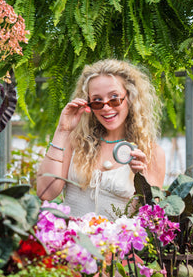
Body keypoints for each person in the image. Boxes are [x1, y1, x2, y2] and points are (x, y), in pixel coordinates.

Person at [37, 59, 165, 220]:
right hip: (73, 243)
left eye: (114, 98)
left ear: (130, 98)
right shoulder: (75, 142)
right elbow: (44, 192)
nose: (106, 107)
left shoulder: (151, 153)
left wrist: (142, 177)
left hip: (118, 245)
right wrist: (62, 130)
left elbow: (153, 218)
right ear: (88, 104)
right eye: (97, 101)